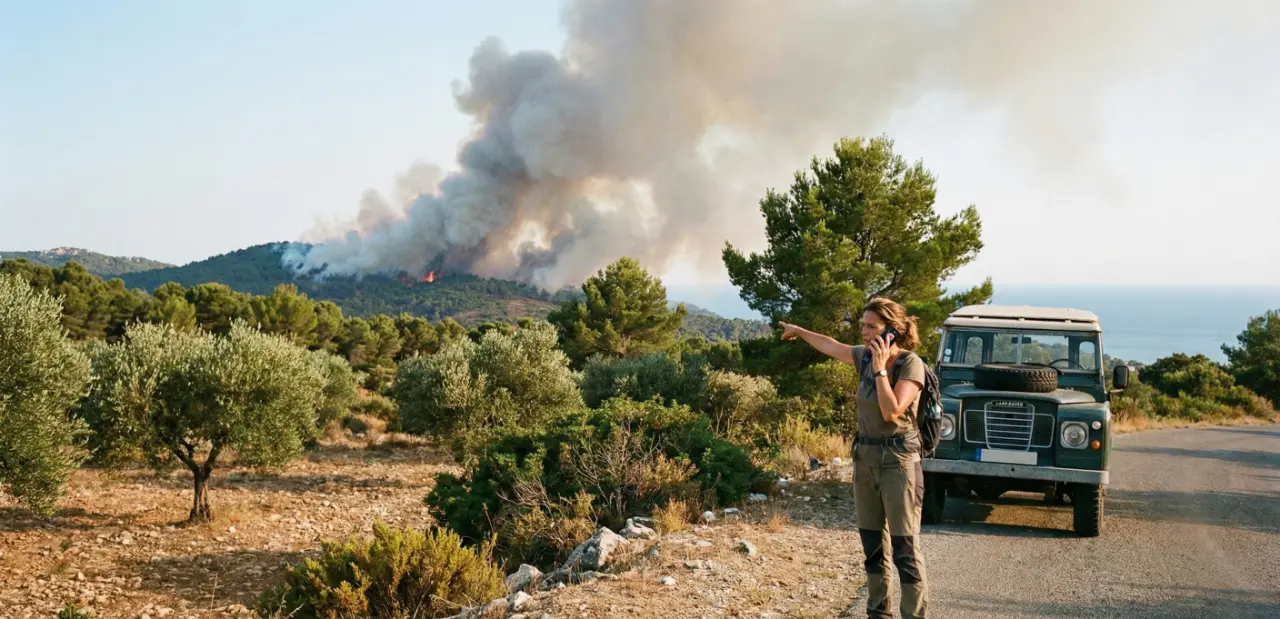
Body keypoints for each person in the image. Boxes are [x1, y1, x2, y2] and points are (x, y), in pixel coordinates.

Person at [778, 297, 929, 619]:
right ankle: (878, 613)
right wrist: (799, 330)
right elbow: (831, 345)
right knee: (873, 548)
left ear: (892, 331)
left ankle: (914, 615)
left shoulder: (910, 364)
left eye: (871, 326)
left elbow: (892, 412)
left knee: (904, 549)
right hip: (865, 460)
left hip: (899, 464)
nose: (863, 332)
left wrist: (879, 371)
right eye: (862, 325)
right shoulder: (862, 357)